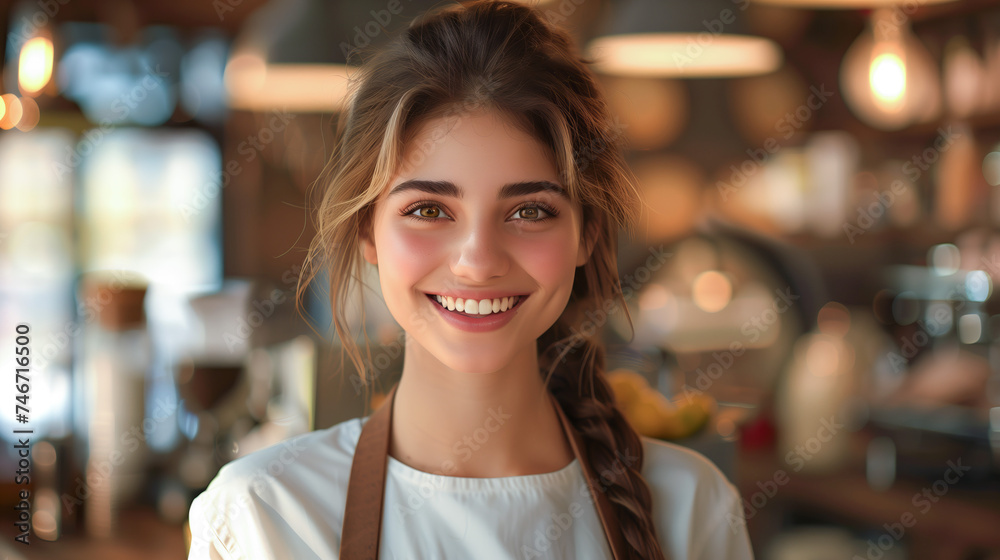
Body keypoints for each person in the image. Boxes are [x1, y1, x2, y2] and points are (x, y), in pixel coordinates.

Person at [186, 1, 754, 558]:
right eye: (429, 210)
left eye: (530, 211)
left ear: (586, 234)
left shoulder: (691, 505)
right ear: (368, 232)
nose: (477, 261)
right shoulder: (267, 515)